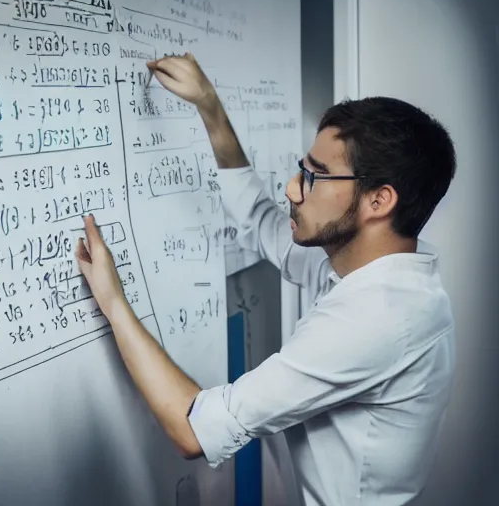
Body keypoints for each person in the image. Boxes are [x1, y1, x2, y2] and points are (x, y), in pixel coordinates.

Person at [76, 53, 457, 506]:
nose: (292, 188)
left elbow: (192, 430)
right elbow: (261, 221)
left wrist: (114, 303)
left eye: (314, 176)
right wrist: (210, 108)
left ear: (379, 200)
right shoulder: (370, 267)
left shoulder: (378, 319)